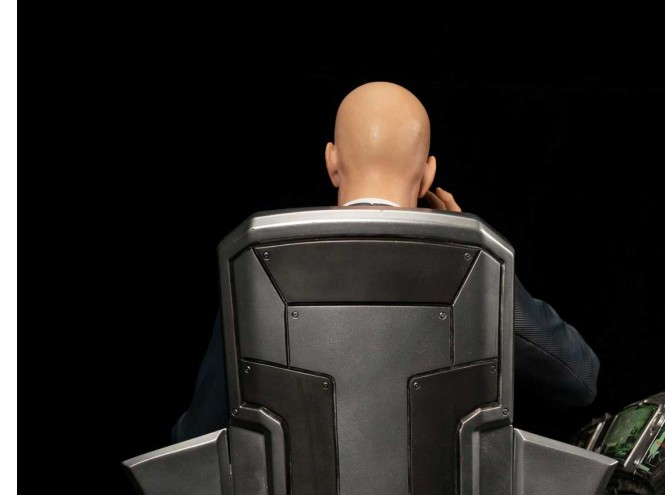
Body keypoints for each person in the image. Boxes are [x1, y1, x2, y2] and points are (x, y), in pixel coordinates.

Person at [171, 82, 599, 442]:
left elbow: (196, 441)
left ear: (332, 162)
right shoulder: (473, 269)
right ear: (428, 174)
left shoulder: (255, 270)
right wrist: (487, 265)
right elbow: (578, 379)